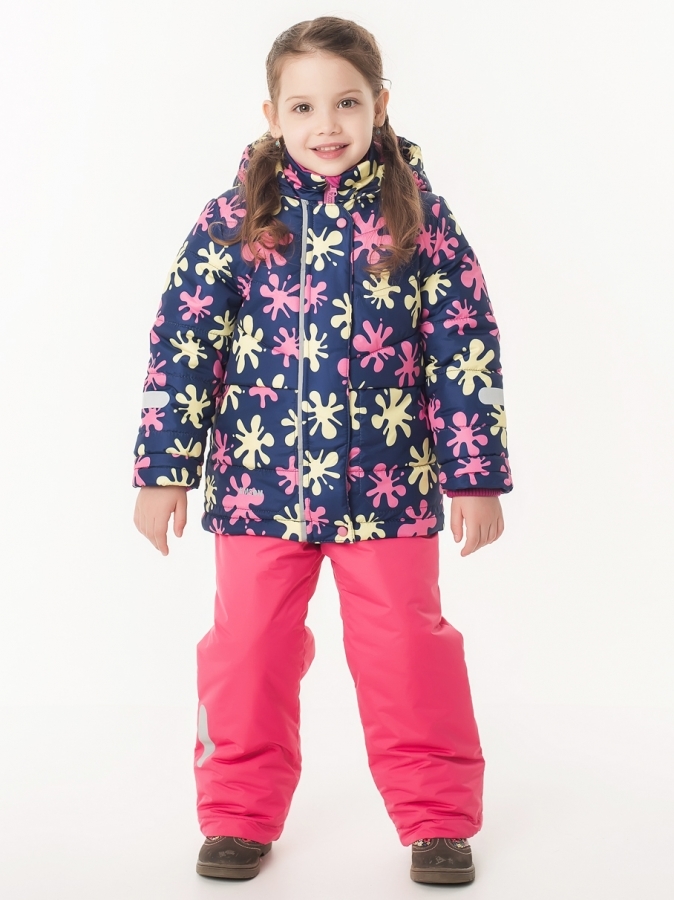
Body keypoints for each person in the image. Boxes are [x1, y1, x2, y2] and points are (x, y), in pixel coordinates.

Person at [132, 15, 512, 886]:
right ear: (272, 115)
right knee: (247, 654)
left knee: (409, 653)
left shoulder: (418, 218)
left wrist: (475, 475)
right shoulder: (236, 219)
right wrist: (163, 469)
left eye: (347, 103)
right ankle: (236, 816)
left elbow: (463, 346)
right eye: (303, 107)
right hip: (258, 488)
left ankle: (437, 821)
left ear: (380, 104)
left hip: (390, 489)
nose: (327, 125)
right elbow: (184, 344)